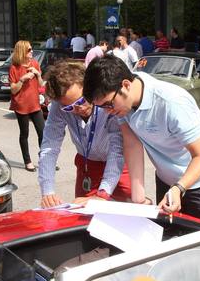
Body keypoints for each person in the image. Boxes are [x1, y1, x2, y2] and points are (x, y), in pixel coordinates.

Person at [83, 56, 200, 224]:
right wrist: (138, 197)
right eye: (101, 107)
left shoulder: (172, 102)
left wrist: (179, 188)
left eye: (108, 104)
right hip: (167, 180)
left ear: (126, 85)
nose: (107, 111)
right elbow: (132, 144)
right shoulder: (123, 104)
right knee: (166, 235)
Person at [38, 60, 131, 206]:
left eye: (81, 100)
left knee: (127, 211)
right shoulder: (59, 105)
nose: (78, 109)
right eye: (69, 108)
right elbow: (50, 147)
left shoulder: (108, 102)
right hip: (87, 165)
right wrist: (47, 190)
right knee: (82, 213)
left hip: (118, 165)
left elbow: (116, 150)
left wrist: (103, 193)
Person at [9, 40, 45, 171]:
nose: (32, 51)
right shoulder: (14, 68)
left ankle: (45, 159)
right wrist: (22, 79)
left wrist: (38, 74)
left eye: (31, 49)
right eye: (29, 50)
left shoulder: (35, 64)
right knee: (24, 133)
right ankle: (27, 161)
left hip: (35, 104)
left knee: (43, 132)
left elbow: (41, 85)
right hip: (21, 105)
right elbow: (13, 90)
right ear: (22, 51)